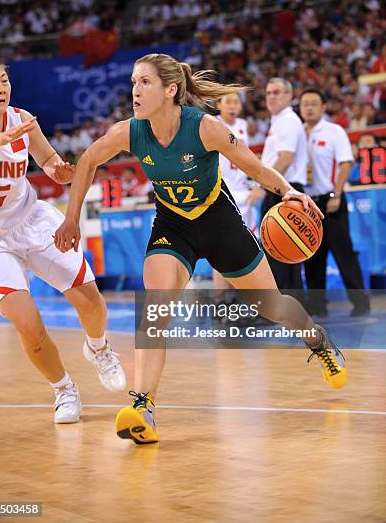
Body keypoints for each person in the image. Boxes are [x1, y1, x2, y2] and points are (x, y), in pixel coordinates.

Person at [54, 53, 347, 446]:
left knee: (273, 306)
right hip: (173, 226)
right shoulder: (130, 131)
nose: (135, 91)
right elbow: (87, 161)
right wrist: (71, 218)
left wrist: (289, 191)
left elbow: (254, 166)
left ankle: (316, 339)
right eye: (133, 82)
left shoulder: (205, 127)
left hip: (219, 222)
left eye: (144, 82)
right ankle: (143, 408)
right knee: (155, 310)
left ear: (170, 89)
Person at [0, 55, 126, 424]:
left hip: (30, 220)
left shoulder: (21, 119)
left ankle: (99, 348)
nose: (1, 87)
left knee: (91, 300)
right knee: (29, 324)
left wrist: (57, 170)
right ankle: (63, 388)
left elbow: (46, 159)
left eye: (3, 79)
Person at [299, 87, 371, 317]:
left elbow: (346, 163)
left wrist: (336, 195)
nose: (309, 108)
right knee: (311, 256)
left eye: (313, 103)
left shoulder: (334, 131)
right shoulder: (297, 133)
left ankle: (360, 302)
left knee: (344, 252)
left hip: (331, 200)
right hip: (307, 204)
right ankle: (317, 304)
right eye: (305, 104)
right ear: (300, 109)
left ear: (322, 107)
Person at [250, 77, 308, 291]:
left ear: (289, 96)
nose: (271, 97)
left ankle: (277, 307)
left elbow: (285, 158)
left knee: (277, 251)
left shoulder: (287, 120)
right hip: (284, 188)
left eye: (277, 92)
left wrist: (262, 185)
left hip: (282, 190)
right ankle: (291, 303)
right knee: (287, 253)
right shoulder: (280, 121)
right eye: (268, 93)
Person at [213, 92, 257, 303]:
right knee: (222, 251)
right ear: (218, 104)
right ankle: (221, 301)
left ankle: (237, 300)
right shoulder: (212, 124)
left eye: (236, 102)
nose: (232, 106)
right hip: (222, 192)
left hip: (244, 194)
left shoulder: (242, 124)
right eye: (227, 101)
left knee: (244, 249)